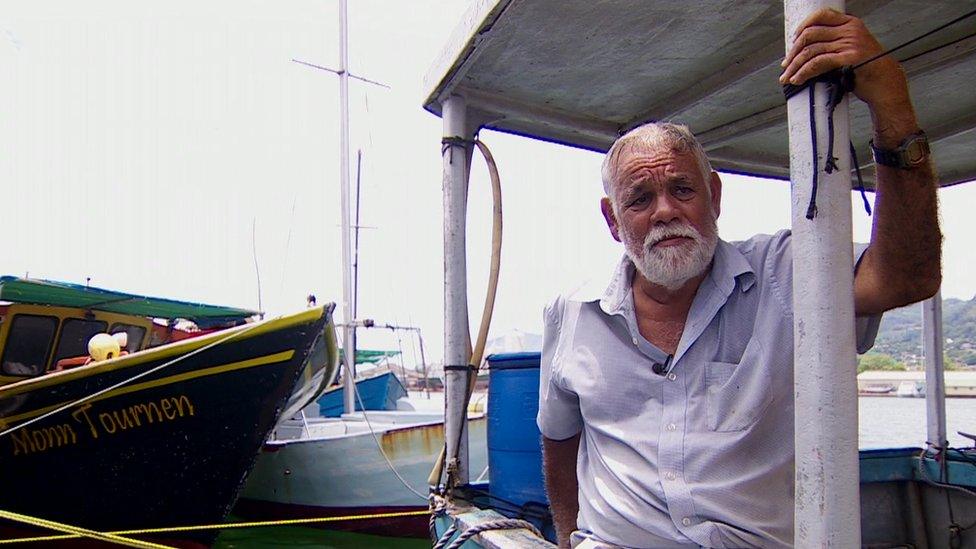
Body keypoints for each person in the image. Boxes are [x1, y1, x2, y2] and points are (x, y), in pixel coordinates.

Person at [537, 8, 942, 549]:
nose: (664, 212)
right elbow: (558, 436)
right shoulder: (572, 313)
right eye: (640, 199)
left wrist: (892, 102)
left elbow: (907, 277)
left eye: (682, 190)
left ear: (716, 197)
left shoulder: (788, 270)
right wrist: (566, 539)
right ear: (613, 220)